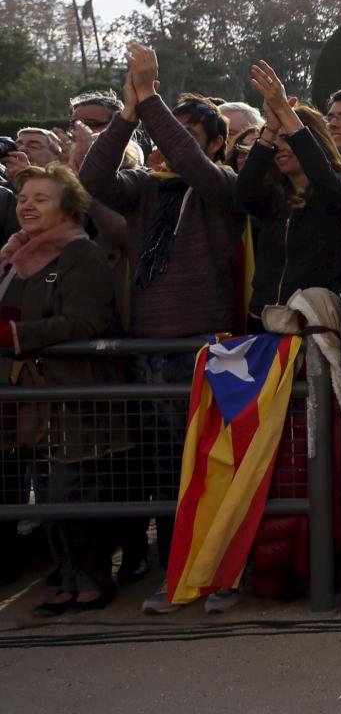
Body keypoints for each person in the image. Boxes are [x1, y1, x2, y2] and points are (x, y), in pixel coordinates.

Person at [79, 43, 247, 614]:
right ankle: (180, 574)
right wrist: (126, 116)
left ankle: (222, 574)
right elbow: (92, 179)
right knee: (165, 476)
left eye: (187, 133)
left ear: (217, 143)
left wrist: (150, 101)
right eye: (160, 134)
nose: (165, 145)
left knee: (213, 468)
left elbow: (193, 164)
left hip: (209, 348)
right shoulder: (146, 191)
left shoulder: (221, 185)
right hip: (147, 348)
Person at [2, 164, 127, 616]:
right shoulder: (14, 255)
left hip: (75, 395)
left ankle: (91, 581)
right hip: (31, 399)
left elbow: (84, 323)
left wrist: (12, 334)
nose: (27, 206)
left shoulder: (80, 255)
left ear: (68, 207)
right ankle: (70, 577)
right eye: (22, 198)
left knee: (72, 492)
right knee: (48, 492)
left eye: (41, 198)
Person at [237, 62, 341, 323]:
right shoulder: (274, 197)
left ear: (313, 141)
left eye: (287, 138)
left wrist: (284, 110)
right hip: (264, 321)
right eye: (275, 141)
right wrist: (269, 130)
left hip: (314, 328)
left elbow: (323, 176)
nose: (279, 147)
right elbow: (242, 193)